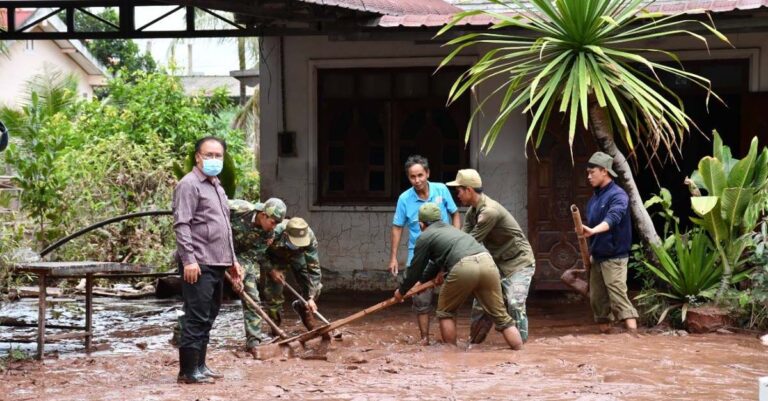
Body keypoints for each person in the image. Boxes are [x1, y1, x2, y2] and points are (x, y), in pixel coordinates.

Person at [393, 203, 523, 350]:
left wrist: (401, 290)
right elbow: (435, 264)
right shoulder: (453, 231)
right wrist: (421, 282)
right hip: (488, 263)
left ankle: (451, 353)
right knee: (501, 317)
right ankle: (519, 352)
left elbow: (415, 269)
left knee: (445, 311)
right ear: (440, 219)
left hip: (464, 267)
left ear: (421, 224)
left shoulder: (425, 237)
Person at [173, 136, 243, 384]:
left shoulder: (217, 186)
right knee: (196, 316)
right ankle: (188, 372)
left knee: (209, 314)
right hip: (198, 263)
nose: (214, 159)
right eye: (209, 155)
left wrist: (233, 261)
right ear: (197, 157)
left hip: (217, 262)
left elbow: (225, 228)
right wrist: (189, 260)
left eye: (218, 156)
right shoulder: (189, 185)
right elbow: (182, 225)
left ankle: (200, 366)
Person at [447, 169, 536, 343]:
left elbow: (469, 244)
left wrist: (448, 267)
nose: (457, 195)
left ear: (469, 190)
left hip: (519, 263)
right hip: (497, 263)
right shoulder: (473, 212)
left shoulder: (489, 212)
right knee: (480, 305)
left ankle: (521, 348)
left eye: (458, 191)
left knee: (514, 302)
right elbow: (461, 240)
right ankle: (474, 345)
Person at [388, 155, 461, 344]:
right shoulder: (404, 198)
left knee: (449, 299)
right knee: (421, 299)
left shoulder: (442, 190)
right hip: (419, 254)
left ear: (427, 173)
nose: (417, 180)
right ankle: (425, 339)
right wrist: (394, 257)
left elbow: (455, 213)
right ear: (408, 178)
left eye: (420, 175)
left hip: (444, 252)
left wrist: (455, 239)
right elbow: (397, 227)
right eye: (413, 177)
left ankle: (449, 342)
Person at [582, 152, 638, 334]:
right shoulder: (594, 199)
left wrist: (593, 230)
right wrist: (591, 251)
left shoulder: (618, 195)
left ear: (604, 171)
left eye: (592, 172)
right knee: (597, 302)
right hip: (598, 256)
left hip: (615, 257)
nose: (589, 177)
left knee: (619, 299)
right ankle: (607, 336)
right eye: (588, 173)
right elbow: (591, 227)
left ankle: (635, 338)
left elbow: (613, 218)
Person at [228, 197, 287, 353]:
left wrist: (239, 273)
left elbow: (252, 256)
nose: (274, 227)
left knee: (252, 297)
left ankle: (253, 343)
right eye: (272, 222)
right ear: (262, 215)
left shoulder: (268, 235)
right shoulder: (238, 209)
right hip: (216, 251)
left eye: (277, 224)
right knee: (203, 296)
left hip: (240, 259)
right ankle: (182, 336)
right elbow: (211, 215)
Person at [262, 217, 323, 331]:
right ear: (286, 234)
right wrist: (271, 270)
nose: (298, 244)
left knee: (314, 288)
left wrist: (311, 297)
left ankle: (302, 307)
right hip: (276, 258)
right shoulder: (273, 231)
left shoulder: (310, 237)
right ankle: (275, 328)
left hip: (298, 257)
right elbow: (259, 253)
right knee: (273, 295)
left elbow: (314, 268)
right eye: (296, 242)